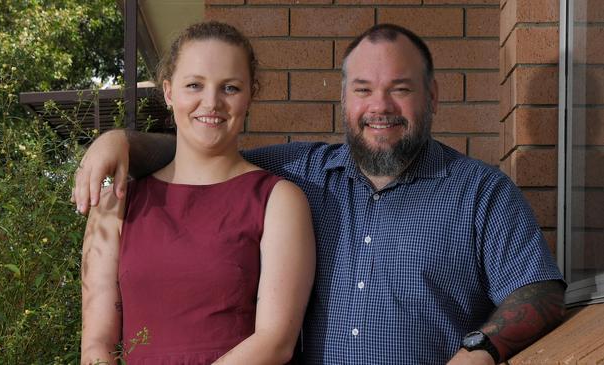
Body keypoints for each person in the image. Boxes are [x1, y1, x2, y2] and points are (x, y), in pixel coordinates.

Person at [75, 23, 566, 364]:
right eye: (363, 90)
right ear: (343, 98)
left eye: (400, 88)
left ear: (432, 96)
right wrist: (118, 140)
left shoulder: (480, 192)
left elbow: (540, 290)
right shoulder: (304, 169)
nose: (380, 106)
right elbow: (204, 151)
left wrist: (481, 350)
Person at [80, 21, 315, 365]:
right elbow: (97, 343)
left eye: (230, 88)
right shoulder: (115, 203)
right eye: (194, 85)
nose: (212, 102)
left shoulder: (279, 200)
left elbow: (275, 341)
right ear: (169, 92)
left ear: (251, 95)